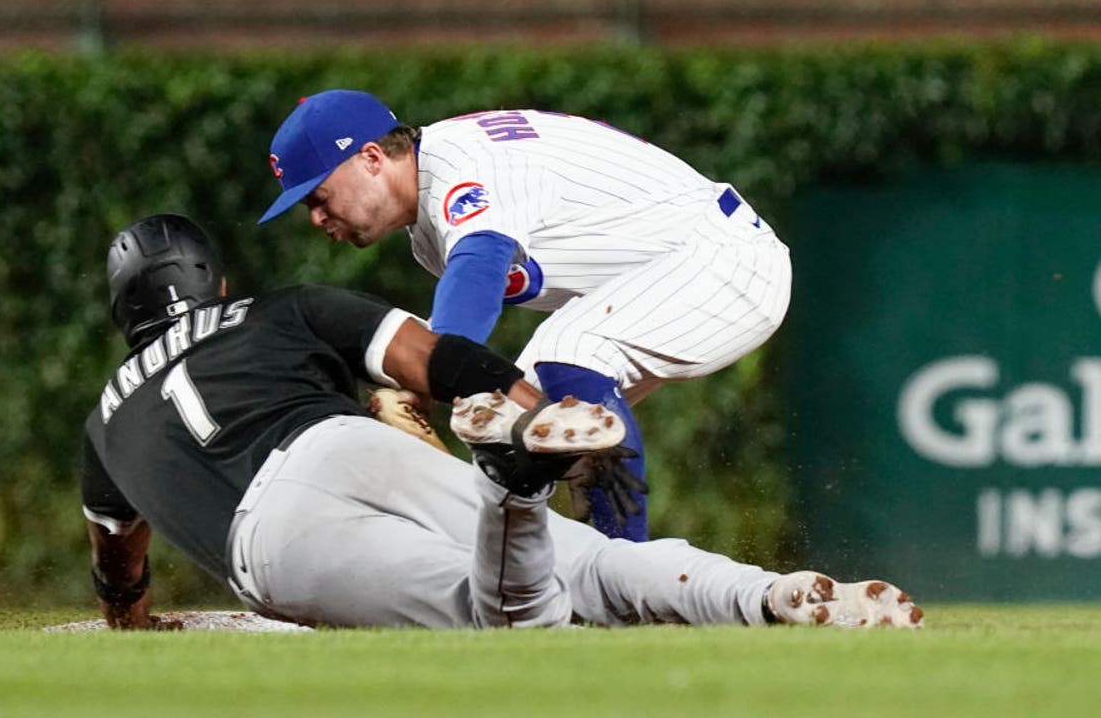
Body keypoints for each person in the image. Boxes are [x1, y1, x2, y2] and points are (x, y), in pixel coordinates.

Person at [80, 213, 921, 631]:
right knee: (591, 560)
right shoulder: (279, 308)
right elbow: (435, 360)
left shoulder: (105, 421)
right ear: (215, 284)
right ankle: (769, 594)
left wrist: (131, 612)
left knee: (508, 618)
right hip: (341, 443)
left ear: (126, 313)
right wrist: (534, 406)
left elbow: (119, 561)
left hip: (269, 536)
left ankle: (513, 491)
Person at [258, 90, 793, 542]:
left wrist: (432, 364)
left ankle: (630, 587)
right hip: (673, 272)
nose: (316, 217)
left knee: (569, 350)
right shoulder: (425, 224)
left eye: (319, 196)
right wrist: (427, 383)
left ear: (372, 158)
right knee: (499, 425)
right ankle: (528, 590)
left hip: (727, 261)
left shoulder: (459, 170)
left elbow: (480, 265)